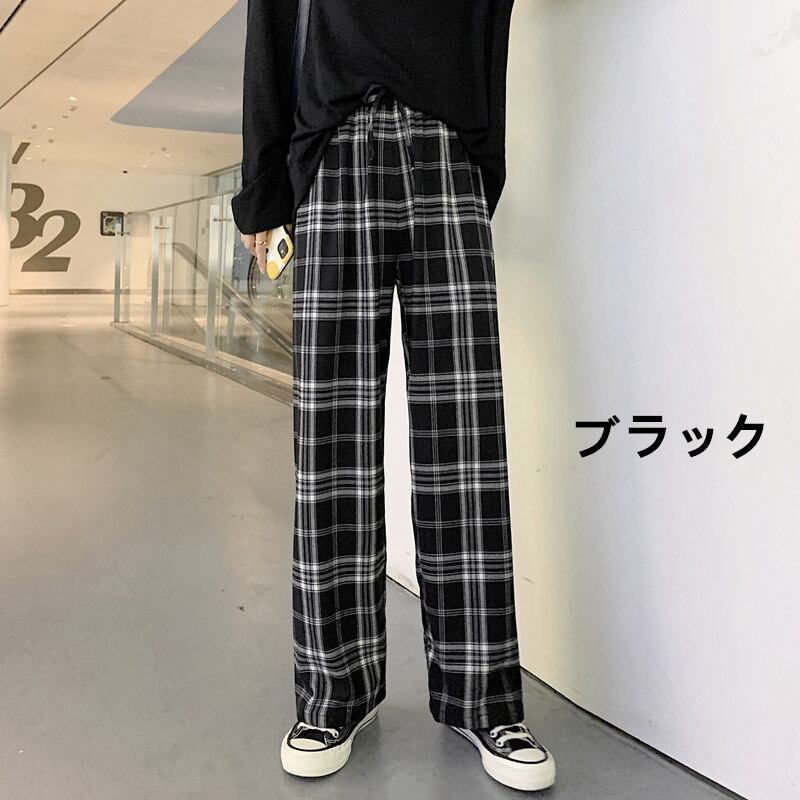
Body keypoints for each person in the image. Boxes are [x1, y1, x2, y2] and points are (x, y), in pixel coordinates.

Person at [231, 0, 557, 792]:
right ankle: (332, 692)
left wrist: (483, 150)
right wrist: (263, 189)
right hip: (335, 148)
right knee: (331, 447)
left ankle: (485, 697)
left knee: (466, 442)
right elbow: (272, 26)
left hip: (447, 147)